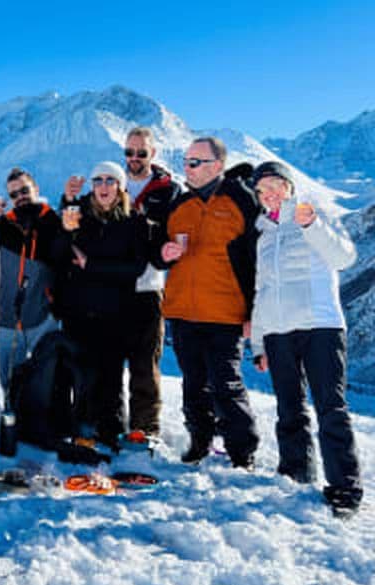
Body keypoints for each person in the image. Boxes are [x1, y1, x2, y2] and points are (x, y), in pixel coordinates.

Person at [250, 161, 362, 515]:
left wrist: (312, 225)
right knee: (289, 408)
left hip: (321, 327)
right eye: (262, 189)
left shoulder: (314, 215)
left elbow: (344, 258)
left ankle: (344, 487)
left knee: (331, 407)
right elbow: (261, 292)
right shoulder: (263, 234)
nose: (269, 193)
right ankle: (296, 473)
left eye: (275, 185)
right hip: (279, 332)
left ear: (289, 187)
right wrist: (258, 343)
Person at [63, 127, 180, 436]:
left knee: (144, 365)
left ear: (153, 154)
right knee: (108, 363)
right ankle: (107, 423)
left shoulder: (167, 190)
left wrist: (166, 254)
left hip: (148, 285)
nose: (135, 157)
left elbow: (171, 234)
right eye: (130, 151)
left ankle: (145, 428)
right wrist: (68, 200)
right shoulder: (108, 180)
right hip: (112, 292)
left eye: (142, 152)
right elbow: (76, 220)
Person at [155, 136, 259, 468]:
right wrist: (163, 253)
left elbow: (257, 260)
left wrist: (254, 311)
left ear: (218, 166)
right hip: (184, 311)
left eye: (195, 162)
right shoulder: (180, 205)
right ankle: (199, 442)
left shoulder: (241, 200)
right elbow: (157, 250)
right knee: (193, 383)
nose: (188, 167)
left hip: (226, 312)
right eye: (186, 161)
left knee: (225, 383)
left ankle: (242, 452)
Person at [54, 161, 148, 447]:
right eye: (98, 181)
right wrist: (66, 223)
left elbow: (136, 267)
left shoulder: (134, 220)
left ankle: (110, 433)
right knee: (79, 373)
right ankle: (81, 431)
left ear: (120, 187)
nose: (104, 186)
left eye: (110, 180)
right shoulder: (79, 214)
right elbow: (58, 253)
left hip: (116, 312)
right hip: (79, 311)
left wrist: (91, 264)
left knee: (110, 376)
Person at [0, 167, 61, 396]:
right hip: (7, 318)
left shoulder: (53, 221)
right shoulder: (6, 224)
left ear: (36, 189)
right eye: (14, 194)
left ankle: (47, 427)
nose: (20, 196)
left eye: (24, 190)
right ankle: (14, 426)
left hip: (42, 317)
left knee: (50, 380)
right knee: (9, 383)